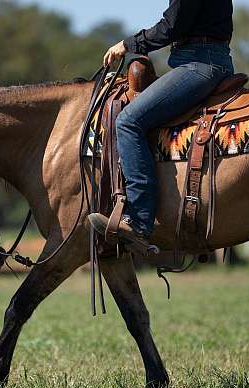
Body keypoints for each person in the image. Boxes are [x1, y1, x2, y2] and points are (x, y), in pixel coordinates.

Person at [88, 0, 235, 249]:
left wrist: (128, 44)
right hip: (209, 58)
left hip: (199, 64)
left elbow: (171, 27)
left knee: (128, 121)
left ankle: (139, 220)